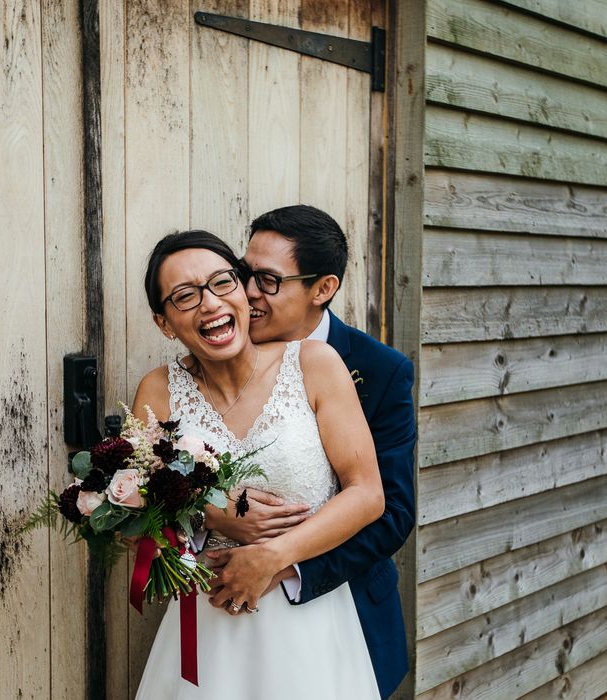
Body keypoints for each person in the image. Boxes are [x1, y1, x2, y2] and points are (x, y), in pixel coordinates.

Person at [133, 229, 385, 699]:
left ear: (243, 294)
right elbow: (141, 521)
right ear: (165, 323)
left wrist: (274, 556)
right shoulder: (158, 391)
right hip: (208, 620)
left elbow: (368, 494)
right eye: (185, 296)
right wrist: (211, 510)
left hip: (307, 620)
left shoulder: (313, 364)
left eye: (222, 283)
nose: (209, 303)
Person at [203, 205, 416, 699]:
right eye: (244, 273)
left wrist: (282, 566)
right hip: (223, 613)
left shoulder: (379, 369)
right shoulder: (214, 354)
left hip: (341, 614)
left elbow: (393, 512)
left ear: (323, 289)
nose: (249, 293)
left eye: (269, 280)